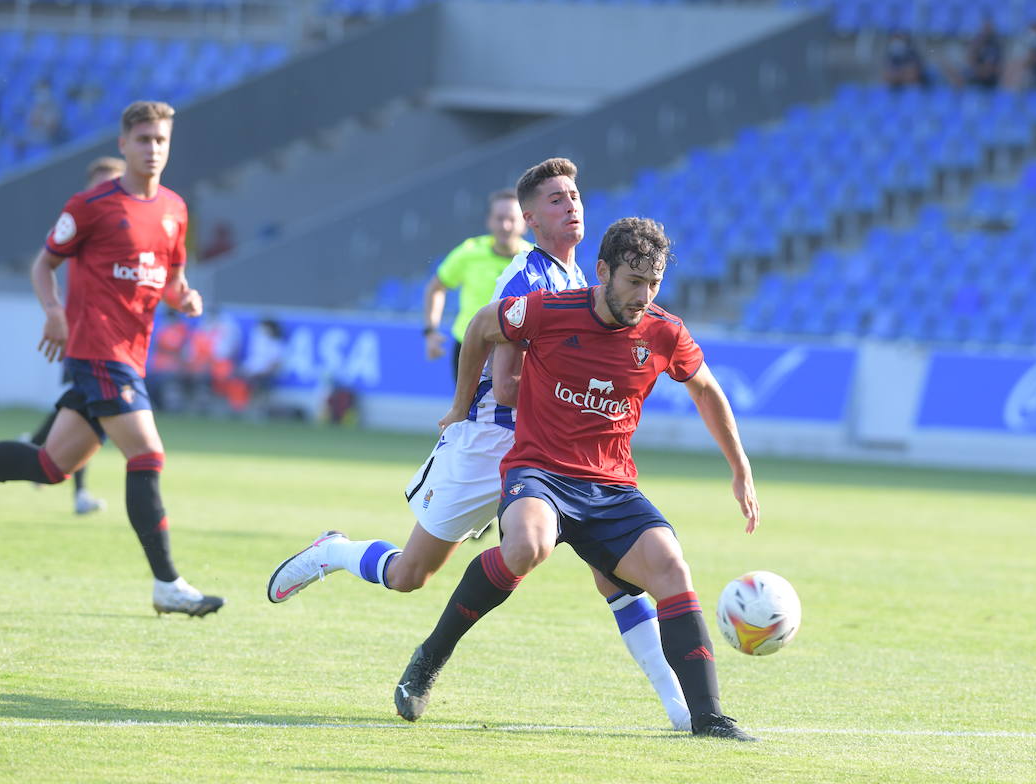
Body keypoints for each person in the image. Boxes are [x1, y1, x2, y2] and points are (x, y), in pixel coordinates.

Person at [267, 158, 692, 731]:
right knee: (410, 573)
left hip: (554, 455)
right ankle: (335, 552)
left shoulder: (585, 283)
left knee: (616, 573)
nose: (572, 206)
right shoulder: (527, 278)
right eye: (557, 199)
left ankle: (681, 709)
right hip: (494, 440)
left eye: (575, 195)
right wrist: (473, 406)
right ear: (529, 217)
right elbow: (509, 379)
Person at [397, 217, 761, 740]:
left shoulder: (663, 331)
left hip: (611, 487)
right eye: (633, 282)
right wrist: (459, 405)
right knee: (526, 545)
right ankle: (431, 656)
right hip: (539, 471)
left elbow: (705, 388)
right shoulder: (549, 310)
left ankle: (708, 716)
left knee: (672, 568)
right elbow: (480, 327)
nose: (643, 295)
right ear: (603, 271)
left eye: (653, 283)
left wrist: (739, 465)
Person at [0, 100, 224, 618]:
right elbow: (44, 265)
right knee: (147, 455)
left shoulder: (175, 210)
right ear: (123, 143)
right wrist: (53, 312)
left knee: (50, 465)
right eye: (143, 139)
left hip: (130, 356)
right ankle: (167, 583)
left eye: (161, 140)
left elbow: (171, 281)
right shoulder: (92, 205)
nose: (153, 149)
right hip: (97, 350)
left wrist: (185, 299)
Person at [24, 155, 128, 517]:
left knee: (82, 408)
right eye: (100, 184)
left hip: (112, 340)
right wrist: (56, 312)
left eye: (113, 183)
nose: (107, 191)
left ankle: (35, 448)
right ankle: (71, 486)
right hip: (84, 336)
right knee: (90, 410)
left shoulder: (123, 225)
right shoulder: (83, 225)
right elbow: (45, 263)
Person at [422, 189, 531, 379]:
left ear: (524, 223)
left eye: (512, 219)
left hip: (515, 350)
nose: (505, 226)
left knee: (514, 408)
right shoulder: (469, 252)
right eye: (499, 218)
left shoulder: (533, 260)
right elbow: (436, 287)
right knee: (466, 409)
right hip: (469, 346)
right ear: (489, 221)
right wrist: (431, 331)